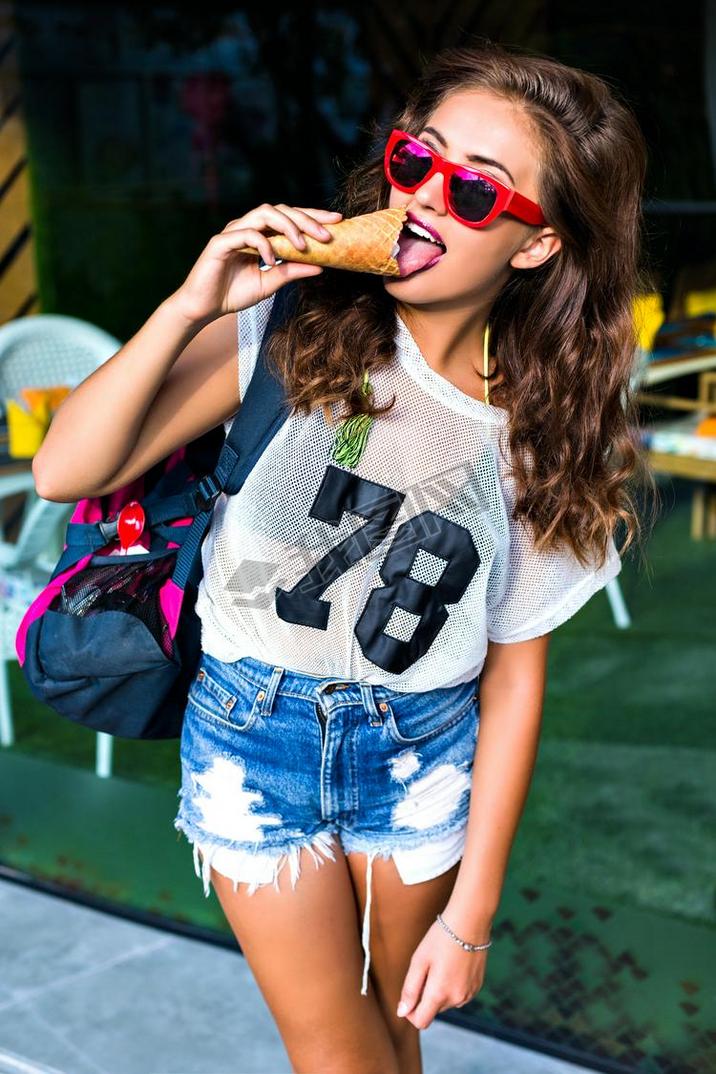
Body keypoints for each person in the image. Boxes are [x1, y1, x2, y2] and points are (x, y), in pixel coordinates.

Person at [34, 37, 657, 1074]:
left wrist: (474, 912)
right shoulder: (289, 327)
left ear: (536, 245)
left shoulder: (542, 428)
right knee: (336, 1054)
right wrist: (194, 301)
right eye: (417, 162)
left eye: (472, 192)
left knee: (391, 1038)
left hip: (418, 757)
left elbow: (513, 677)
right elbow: (64, 468)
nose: (423, 200)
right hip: (250, 737)